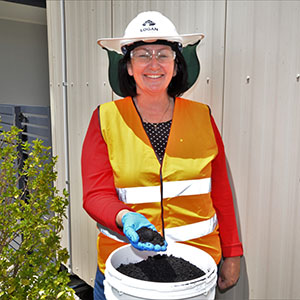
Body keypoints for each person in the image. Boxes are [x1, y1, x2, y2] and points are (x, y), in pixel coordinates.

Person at [81, 11, 243, 299]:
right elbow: (95, 194)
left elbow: (219, 190)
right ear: (128, 66)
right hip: (125, 269)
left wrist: (232, 253)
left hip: (195, 269)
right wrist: (123, 217)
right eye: (143, 54)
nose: (153, 63)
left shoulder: (202, 116)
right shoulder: (105, 118)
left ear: (176, 65)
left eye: (163, 54)